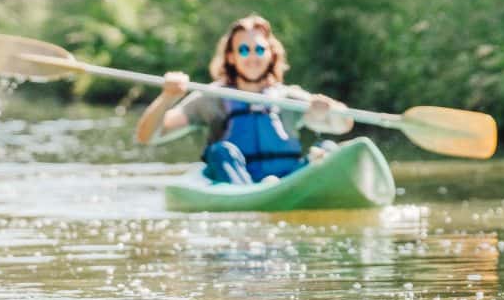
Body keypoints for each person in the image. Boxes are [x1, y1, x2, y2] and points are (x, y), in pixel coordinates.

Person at [132, 14, 353, 184]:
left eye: (259, 49)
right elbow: (148, 135)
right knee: (221, 151)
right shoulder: (211, 98)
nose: (253, 57)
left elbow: (344, 124)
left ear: (270, 54)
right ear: (231, 56)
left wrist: (329, 109)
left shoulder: (288, 97)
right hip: (237, 184)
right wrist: (167, 97)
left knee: (328, 148)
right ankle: (253, 197)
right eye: (244, 50)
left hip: (286, 181)